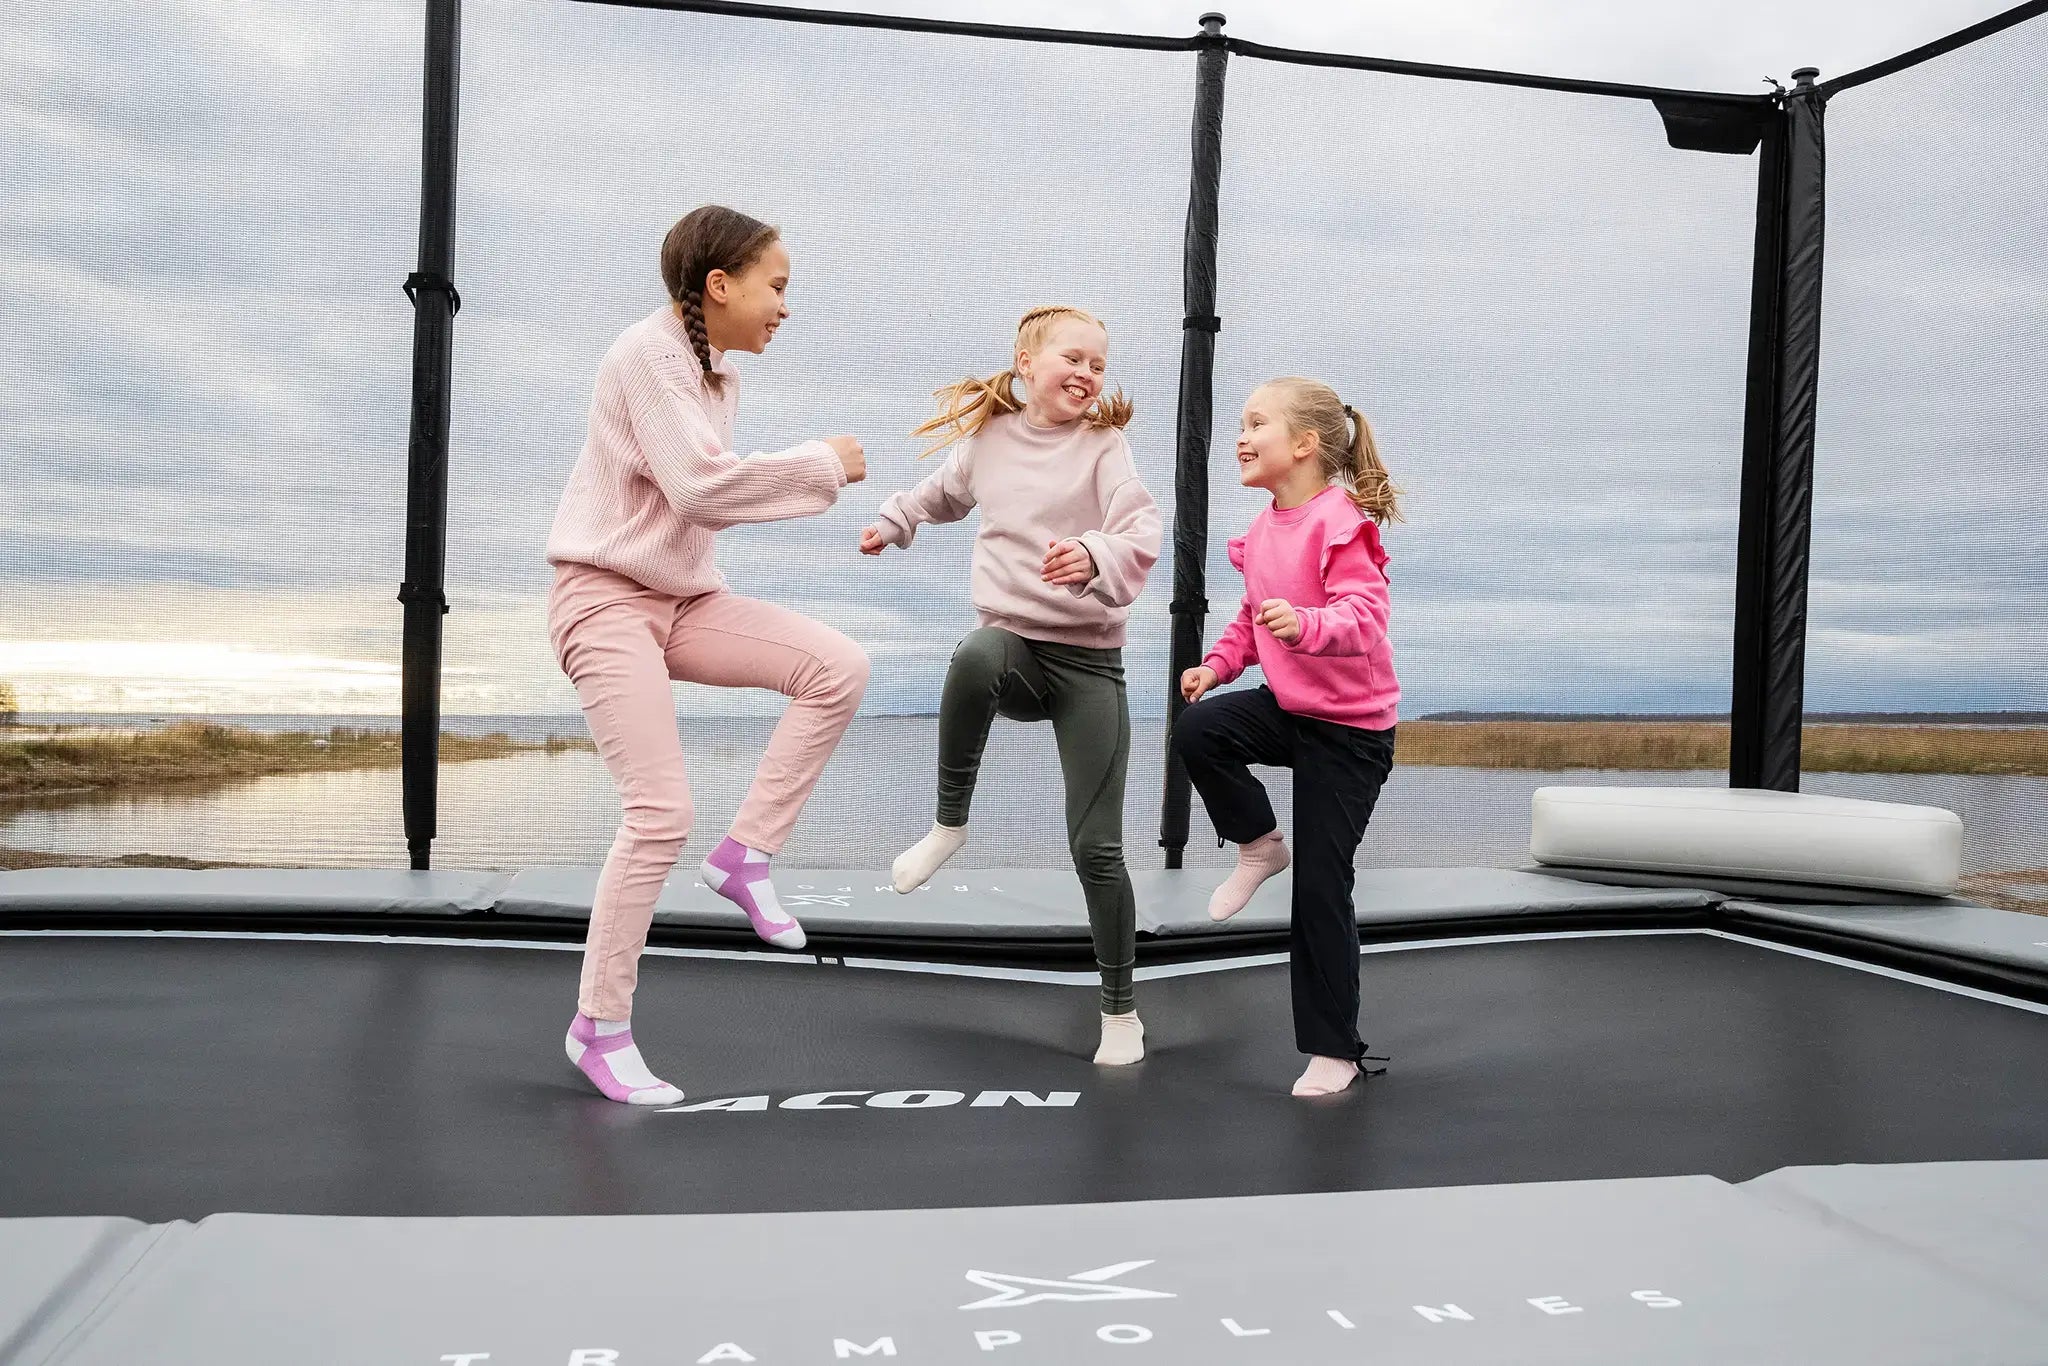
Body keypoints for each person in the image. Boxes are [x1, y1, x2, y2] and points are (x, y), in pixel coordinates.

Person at [546, 205, 869, 1104]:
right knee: (658, 813)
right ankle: (599, 1028)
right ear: (719, 285)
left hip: (684, 599)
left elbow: (692, 502)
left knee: (837, 668)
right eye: (778, 286)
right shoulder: (646, 355)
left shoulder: (711, 372)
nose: (784, 307)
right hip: (604, 600)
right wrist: (824, 464)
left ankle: (746, 857)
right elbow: (696, 488)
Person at [860, 306, 1160, 1065]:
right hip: (1017, 655)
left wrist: (1092, 557)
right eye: (1073, 358)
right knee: (975, 652)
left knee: (1096, 849)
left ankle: (1121, 1012)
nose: (1088, 374)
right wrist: (895, 521)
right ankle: (948, 827)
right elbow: (941, 494)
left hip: (1089, 667)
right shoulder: (988, 441)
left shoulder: (1104, 447)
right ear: (1027, 363)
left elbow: (1140, 527)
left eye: (1099, 363)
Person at [1173, 377, 1403, 1097]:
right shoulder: (1265, 529)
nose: (1241, 438)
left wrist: (1308, 626)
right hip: (1290, 707)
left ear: (1304, 444)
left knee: (1322, 889)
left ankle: (1335, 1049)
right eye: (1242, 424)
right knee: (1202, 728)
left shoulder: (1340, 522)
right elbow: (1250, 619)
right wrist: (1216, 666)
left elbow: (1365, 618)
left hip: (1352, 734)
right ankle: (1259, 844)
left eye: (1256, 424)